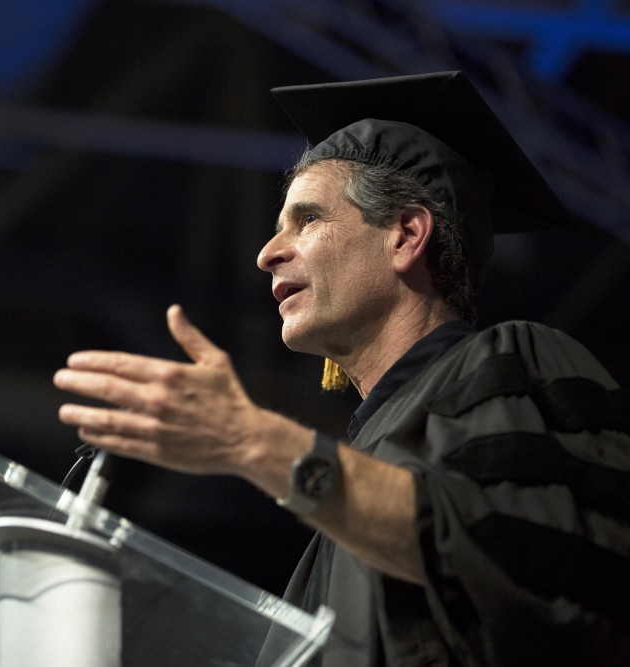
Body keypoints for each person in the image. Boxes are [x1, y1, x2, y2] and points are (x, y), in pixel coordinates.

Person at [48, 71, 630, 665]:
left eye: (308, 220)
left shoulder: (514, 359)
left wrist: (254, 440)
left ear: (406, 235)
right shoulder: (360, 474)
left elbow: (540, 572)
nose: (267, 252)